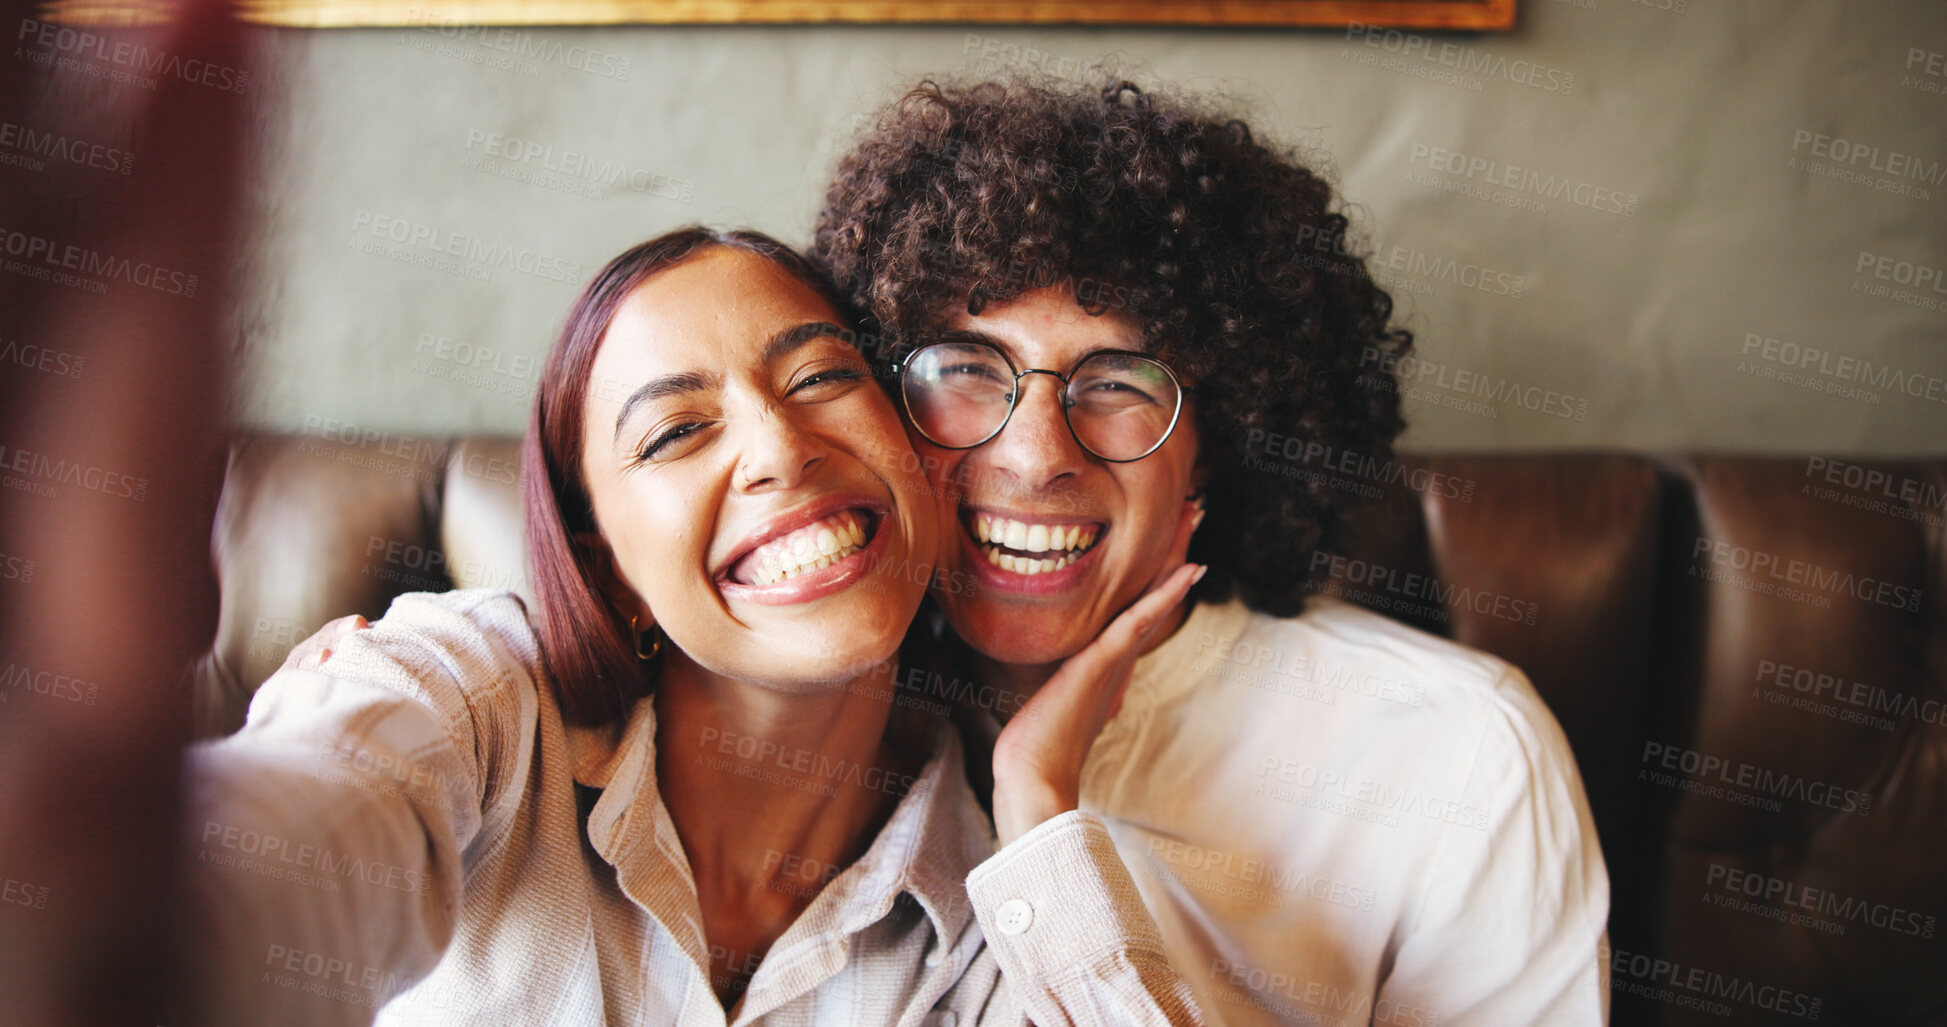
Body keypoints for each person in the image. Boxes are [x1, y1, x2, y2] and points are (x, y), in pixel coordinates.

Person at [183, 227, 1209, 1025]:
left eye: (820, 378)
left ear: (923, 470)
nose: (780, 447)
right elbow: (267, 853)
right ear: (608, 570)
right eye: (677, 431)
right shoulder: (477, 703)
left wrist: (1037, 806)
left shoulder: (992, 910)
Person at [808, 78, 1611, 1025]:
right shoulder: (805, 712)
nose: (1034, 457)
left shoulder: (1456, 753)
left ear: (1218, 444)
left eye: (1117, 381)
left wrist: (1040, 816)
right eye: (967, 369)